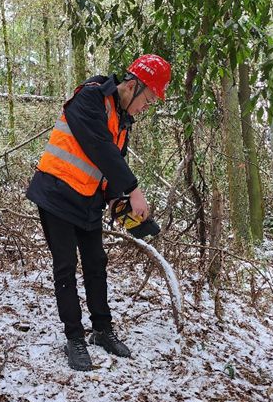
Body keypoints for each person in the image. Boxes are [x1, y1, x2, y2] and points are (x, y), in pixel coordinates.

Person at [26, 54, 171, 371]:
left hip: (86, 199)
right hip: (56, 193)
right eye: (147, 99)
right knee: (65, 266)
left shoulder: (123, 121)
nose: (145, 107)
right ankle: (74, 338)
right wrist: (134, 188)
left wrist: (122, 206)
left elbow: (107, 169)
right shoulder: (91, 96)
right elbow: (98, 146)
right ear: (132, 85)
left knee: (96, 263)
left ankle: (102, 331)